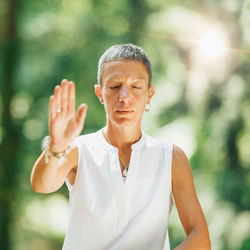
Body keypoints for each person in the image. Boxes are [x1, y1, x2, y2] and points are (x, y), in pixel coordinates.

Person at [30, 44, 211, 250]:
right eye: (114, 86)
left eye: (136, 86)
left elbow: (200, 237)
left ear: (149, 94)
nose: (124, 96)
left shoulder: (170, 157)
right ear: (100, 93)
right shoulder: (77, 150)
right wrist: (56, 147)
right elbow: (42, 185)